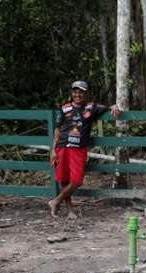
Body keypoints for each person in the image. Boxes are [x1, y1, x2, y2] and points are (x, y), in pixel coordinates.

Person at [48, 80, 121, 219]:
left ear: (85, 94)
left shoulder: (91, 107)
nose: (77, 94)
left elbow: (108, 108)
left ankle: (56, 201)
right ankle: (70, 211)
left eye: (80, 92)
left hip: (79, 150)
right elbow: (57, 130)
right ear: (72, 93)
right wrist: (53, 150)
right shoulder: (64, 108)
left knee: (76, 181)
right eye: (75, 92)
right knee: (64, 179)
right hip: (62, 147)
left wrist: (114, 106)